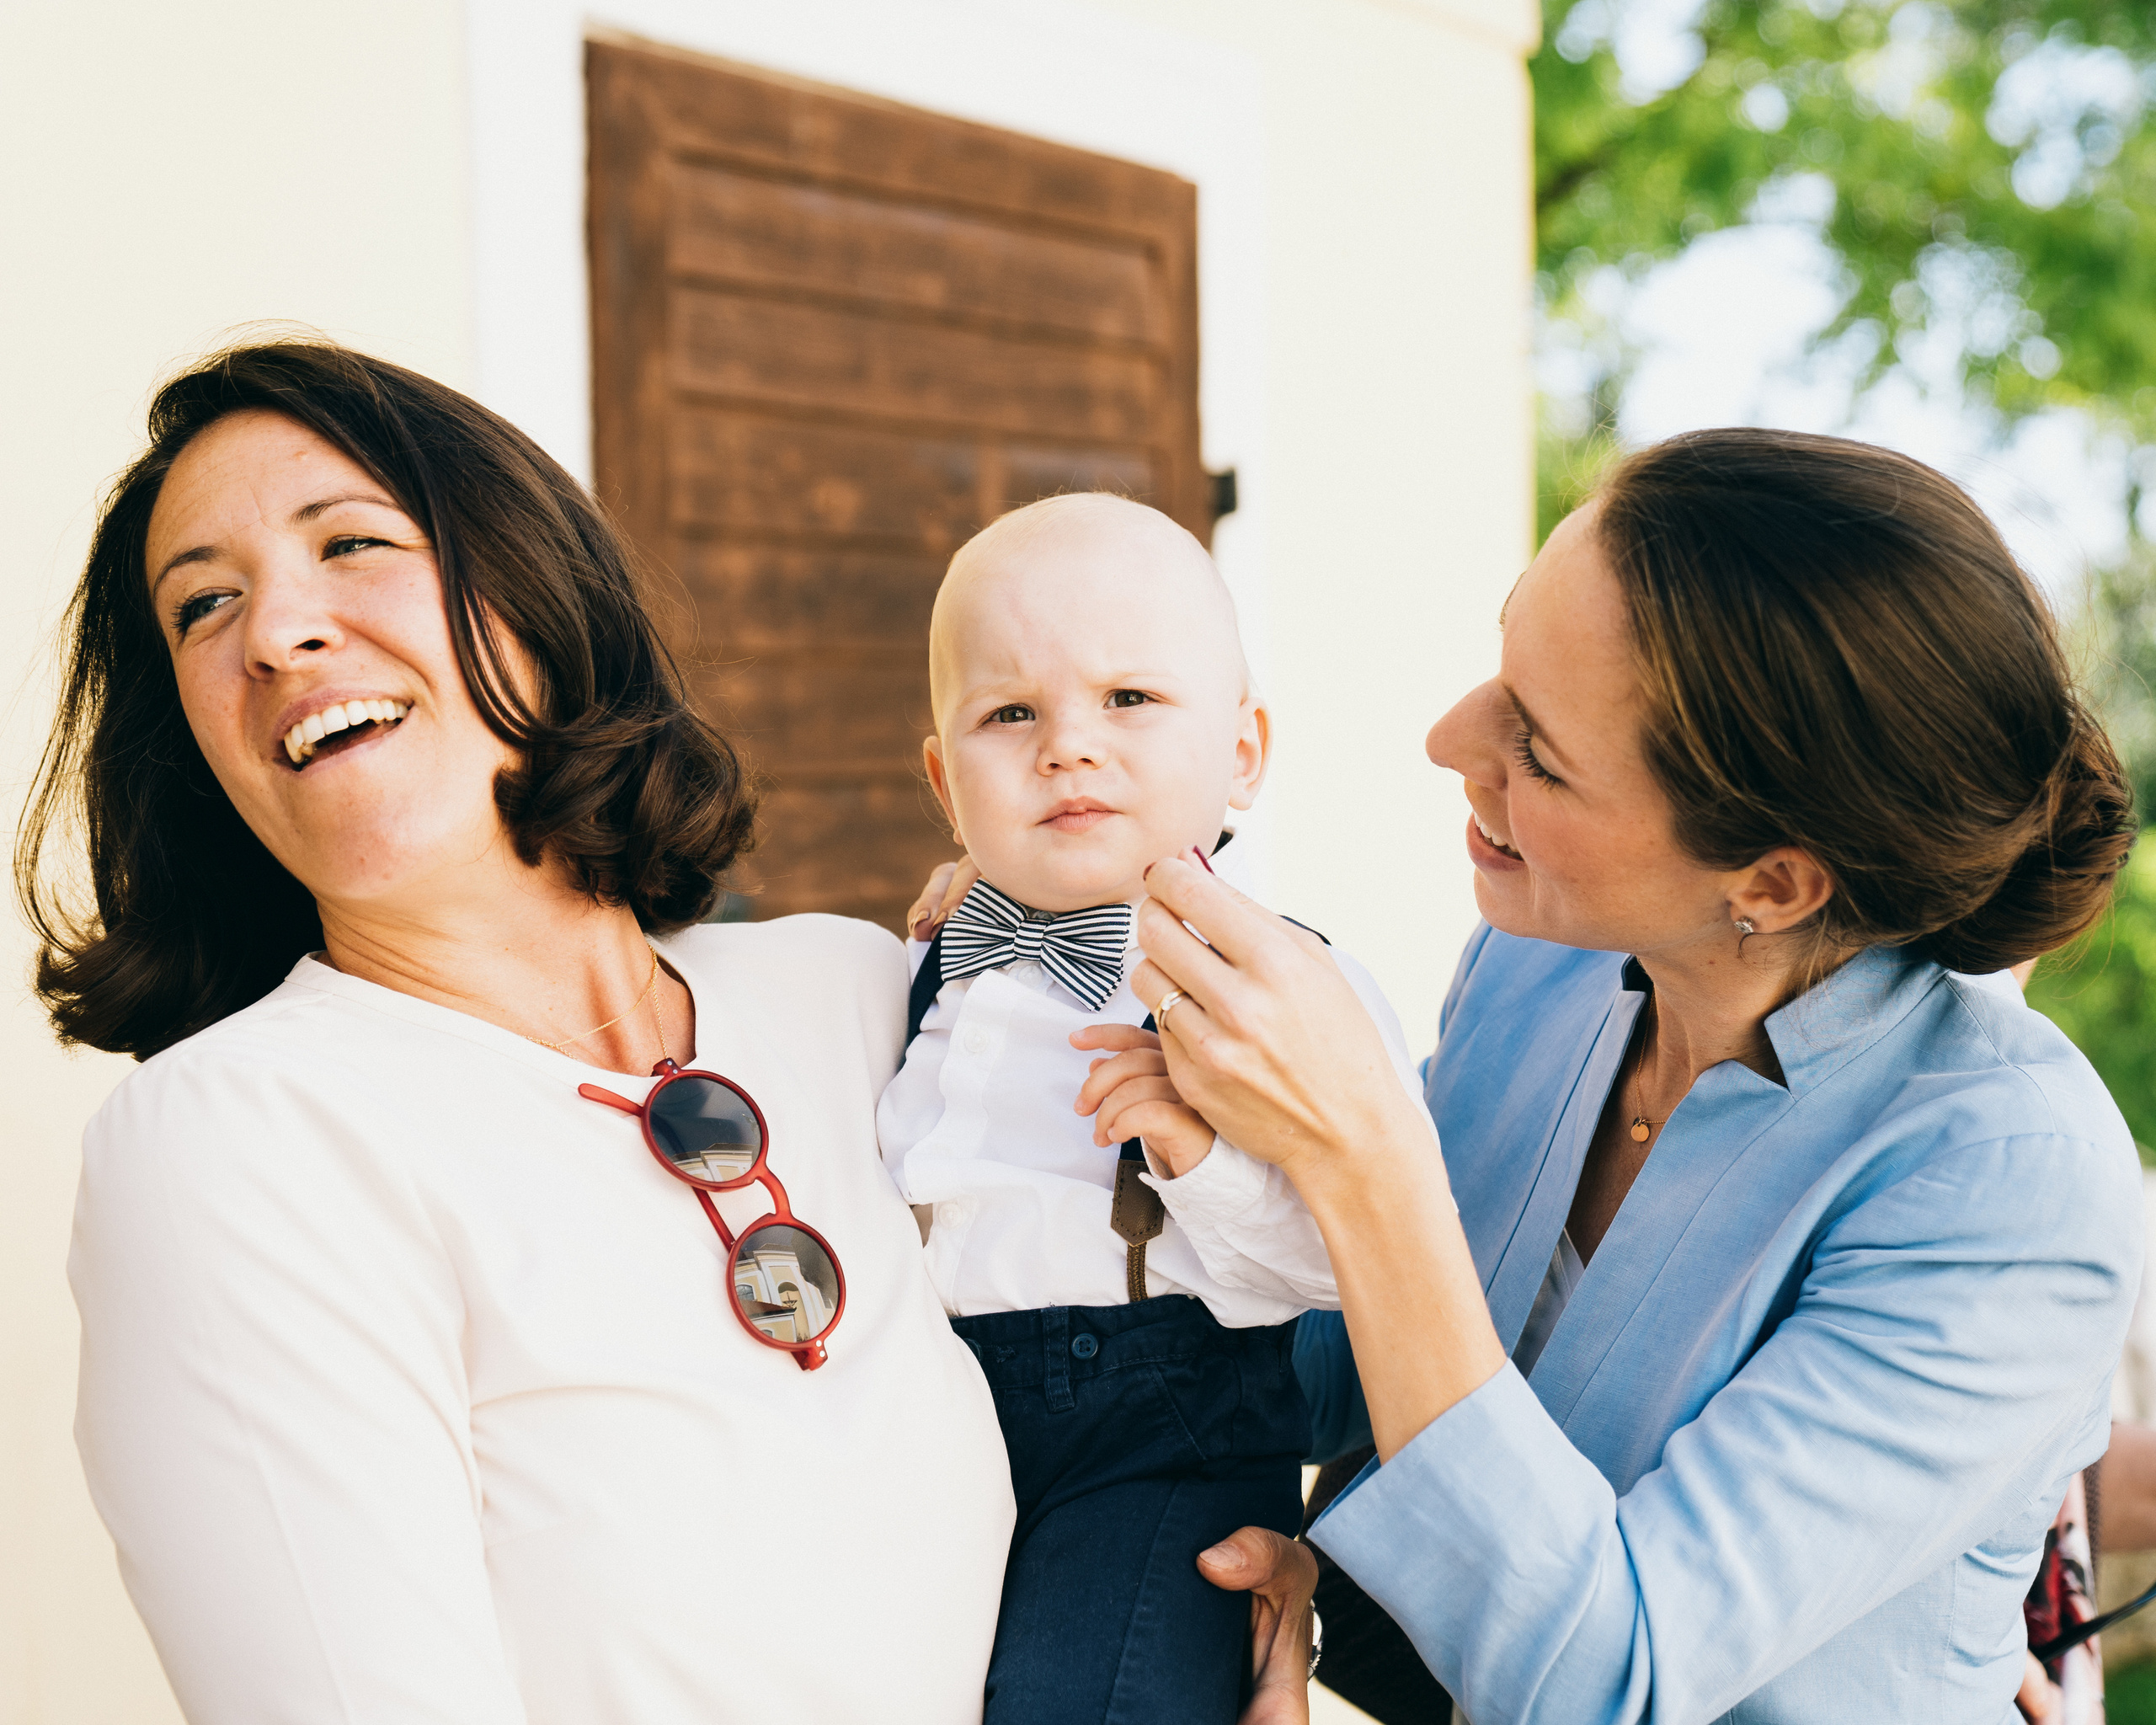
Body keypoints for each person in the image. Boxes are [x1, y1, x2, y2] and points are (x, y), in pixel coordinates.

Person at [1023, 429, 2145, 1720]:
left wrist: (1362, 1153)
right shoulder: (1542, 969)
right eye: (1504, 661)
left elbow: (1613, 1675)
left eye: (1539, 751)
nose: (1450, 738)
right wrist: (1056, 923)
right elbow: (1347, 1372)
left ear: (1770, 884)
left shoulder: (2010, 1186)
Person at [20, 341, 1014, 1723]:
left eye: (352, 543)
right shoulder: (239, 1140)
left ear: (535, 589)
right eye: (203, 609)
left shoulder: (858, 999)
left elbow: (1143, 1369)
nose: (274, 633)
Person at [880, 494, 1427, 1722]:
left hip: (1162, 1443)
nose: (1068, 745)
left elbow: (1352, 1266)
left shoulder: (1290, 987)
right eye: (1009, 713)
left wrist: (1203, 1162)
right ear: (941, 779)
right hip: (933, 1416)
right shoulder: (918, 965)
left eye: (1129, 699)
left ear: (1242, 752)